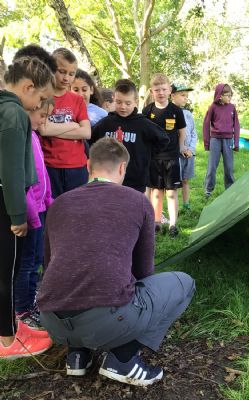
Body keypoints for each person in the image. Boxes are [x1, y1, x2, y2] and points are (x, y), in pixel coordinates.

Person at [37, 137, 195, 386]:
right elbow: (144, 271)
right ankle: (123, 358)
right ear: (122, 168)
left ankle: (77, 355)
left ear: (88, 165)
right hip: (108, 320)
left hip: (52, 321)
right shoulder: (137, 201)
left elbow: (50, 265)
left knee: (73, 279)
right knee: (185, 283)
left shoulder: (60, 203)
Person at [0, 56, 54, 359]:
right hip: (8, 206)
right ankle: (7, 340)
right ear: (28, 87)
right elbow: (11, 171)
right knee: (6, 273)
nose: (39, 106)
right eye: (41, 99)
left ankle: (12, 326)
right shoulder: (14, 113)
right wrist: (18, 215)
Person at [14, 98, 54, 331]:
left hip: (41, 210)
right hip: (31, 215)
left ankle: (31, 301)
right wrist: (32, 215)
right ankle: (22, 310)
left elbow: (43, 173)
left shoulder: (34, 136)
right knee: (27, 263)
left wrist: (49, 200)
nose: (44, 121)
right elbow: (22, 183)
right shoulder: (19, 139)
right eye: (42, 116)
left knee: (37, 259)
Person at [90, 79, 169, 193]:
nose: (123, 107)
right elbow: (90, 141)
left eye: (128, 103)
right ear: (113, 98)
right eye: (119, 102)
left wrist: (145, 155)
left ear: (135, 102)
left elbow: (163, 139)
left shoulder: (143, 124)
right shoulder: (105, 123)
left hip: (135, 180)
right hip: (108, 178)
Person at [38, 48, 91, 198]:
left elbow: (86, 132)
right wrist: (74, 125)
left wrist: (53, 128)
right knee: (53, 208)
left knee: (76, 208)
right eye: (61, 72)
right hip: (50, 165)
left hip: (77, 166)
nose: (66, 78)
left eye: (71, 74)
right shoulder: (42, 96)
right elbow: (43, 130)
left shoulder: (77, 100)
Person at [142, 73, 186, 237]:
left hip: (172, 158)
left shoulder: (176, 111)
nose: (160, 93)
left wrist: (181, 147)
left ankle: (173, 224)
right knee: (156, 192)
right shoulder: (147, 111)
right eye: (157, 90)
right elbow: (144, 133)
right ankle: (157, 222)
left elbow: (182, 131)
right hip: (154, 158)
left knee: (171, 193)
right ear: (151, 91)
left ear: (169, 90)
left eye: (163, 89)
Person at [203, 83, 240, 198]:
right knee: (212, 166)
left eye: (231, 95)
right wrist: (207, 143)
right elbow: (206, 124)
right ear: (220, 95)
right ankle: (208, 190)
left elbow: (236, 125)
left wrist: (236, 143)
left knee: (229, 167)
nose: (230, 98)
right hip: (215, 140)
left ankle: (230, 189)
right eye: (227, 95)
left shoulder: (232, 107)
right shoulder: (213, 107)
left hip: (228, 140)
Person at [171, 83, 197, 210]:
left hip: (188, 154)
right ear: (172, 95)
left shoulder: (188, 114)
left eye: (187, 96)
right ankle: (173, 207)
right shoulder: (168, 113)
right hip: (174, 154)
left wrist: (191, 149)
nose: (185, 98)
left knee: (186, 180)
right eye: (182, 95)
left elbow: (193, 133)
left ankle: (186, 205)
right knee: (174, 182)